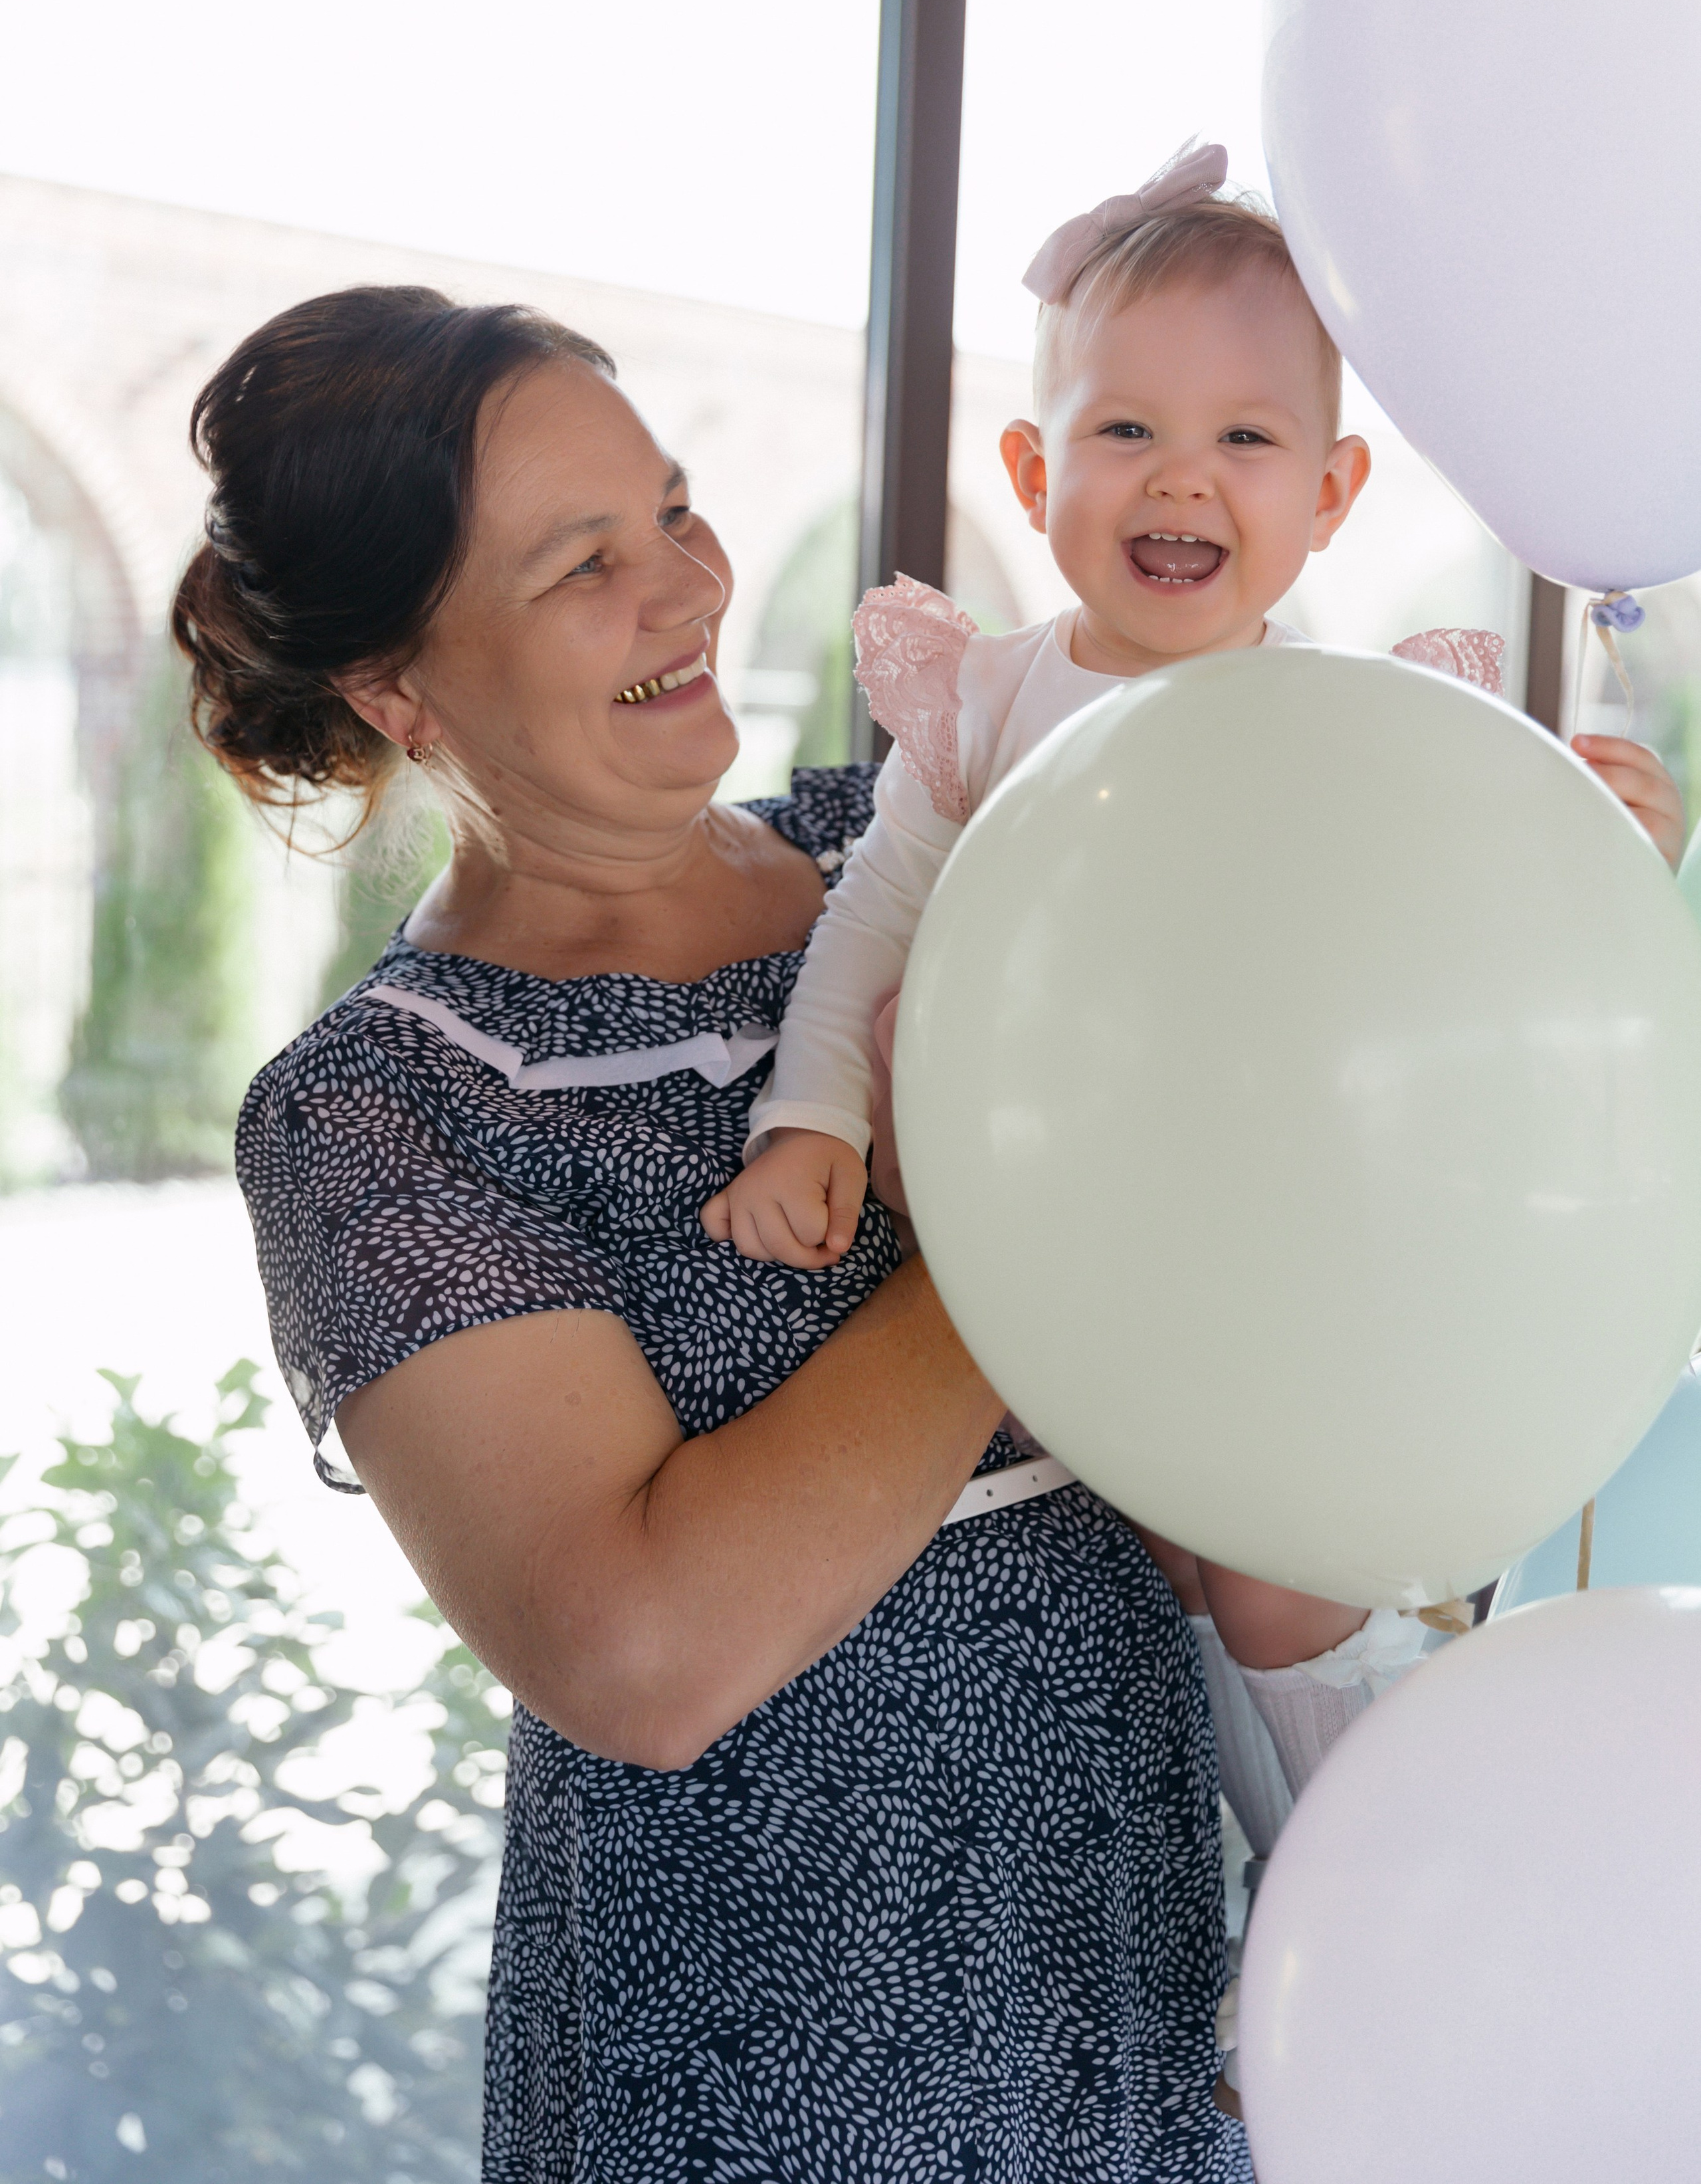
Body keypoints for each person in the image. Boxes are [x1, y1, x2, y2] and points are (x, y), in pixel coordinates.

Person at [171, 281, 1308, 2182]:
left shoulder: (926, 840)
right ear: (401, 692)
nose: (687, 590)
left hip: (1121, 1937)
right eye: (580, 566)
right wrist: (1030, 1210)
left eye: (677, 510)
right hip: (768, 2046)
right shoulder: (383, 1111)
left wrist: (1549, 837)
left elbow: (1290, 987)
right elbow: (643, 1650)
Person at [704, 144, 1686, 1840]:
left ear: (1328, 492)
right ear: (1030, 467)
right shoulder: (985, 703)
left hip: (1243, 1234)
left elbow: (1438, 952)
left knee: (1273, 1581)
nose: (1182, 482)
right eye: (1124, 432)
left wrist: (1593, 853)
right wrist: (812, 1114)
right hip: (1013, 1228)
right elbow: (870, 922)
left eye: (1243, 438)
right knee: (1131, 1578)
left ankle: (1350, 1865)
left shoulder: (1347, 729)